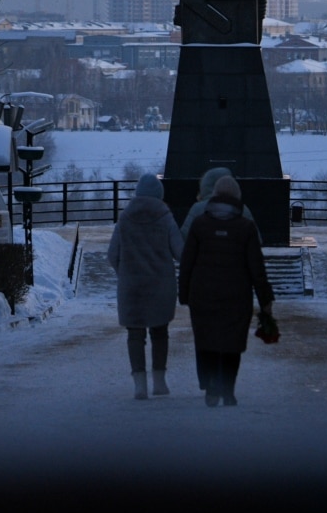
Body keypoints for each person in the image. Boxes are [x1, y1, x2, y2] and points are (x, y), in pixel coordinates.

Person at [178, 175, 274, 407]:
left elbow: (187, 262)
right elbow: (256, 268)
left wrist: (184, 294)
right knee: (232, 343)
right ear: (237, 198)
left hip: (202, 295)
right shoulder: (246, 227)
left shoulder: (200, 224)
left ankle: (211, 389)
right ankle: (228, 391)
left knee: (207, 340)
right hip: (237, 296)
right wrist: (265, 300)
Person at [107, 172, 184, 399]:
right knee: (160, 332)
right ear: (159, 194)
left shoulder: (125, 218)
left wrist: (125, 274)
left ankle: (139, 385)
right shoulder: (166, 217)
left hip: (132, 287)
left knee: (135, 335)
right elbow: (180, 252)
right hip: (161, 286)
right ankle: (159, 382)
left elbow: (112, 254)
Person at [179, 166, 261, 244]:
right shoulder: (242, 208)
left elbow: (184, 237)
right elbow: (256, 239)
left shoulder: (197, 208)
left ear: (205, 185)